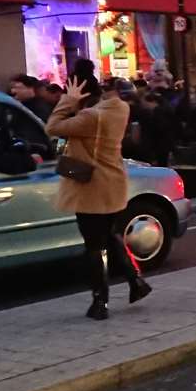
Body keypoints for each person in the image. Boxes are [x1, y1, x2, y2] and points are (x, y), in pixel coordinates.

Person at [46, 69, 152, 320]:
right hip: (113, 182)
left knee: (94, 246)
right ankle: (136, 281)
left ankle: (100, 301)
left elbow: (52, 127)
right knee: (109, 236)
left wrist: (68, 101)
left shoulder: (90, 117)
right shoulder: (119, 110)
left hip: (92, 185)